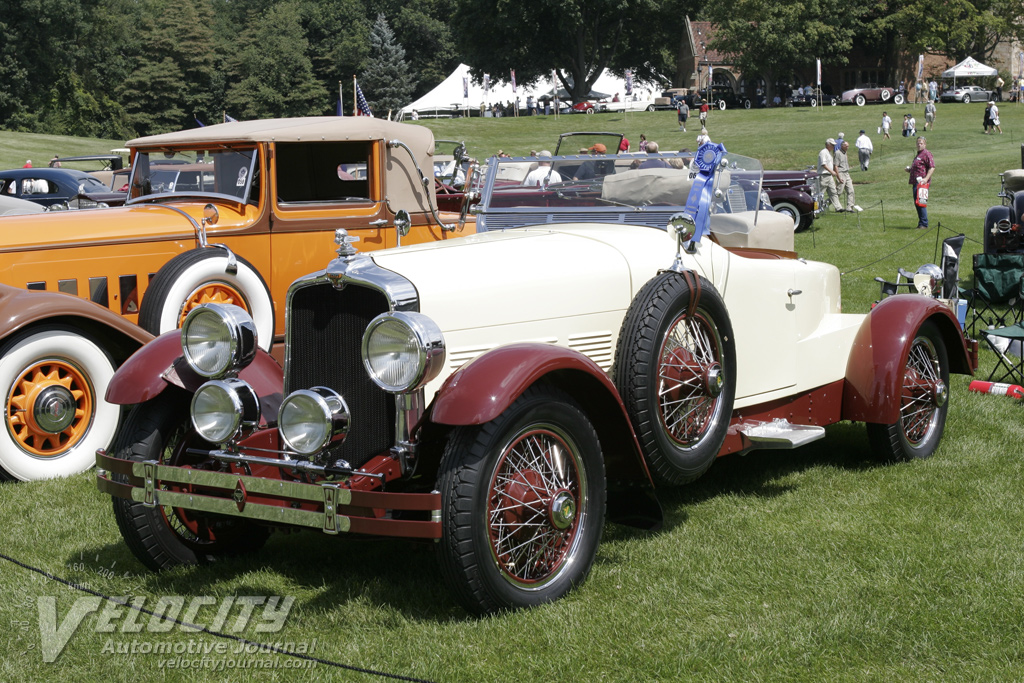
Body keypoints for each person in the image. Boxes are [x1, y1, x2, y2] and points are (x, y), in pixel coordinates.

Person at [906, 136, 935, 229]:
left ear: (925, 144)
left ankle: (924, 223)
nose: (919, 145)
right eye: (918, 143)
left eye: (921, 143)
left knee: (921, 202)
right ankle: (921, 223)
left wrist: (926, 179)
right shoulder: (918, 154)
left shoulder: (926, 154)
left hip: (922, 183)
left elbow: (932, 167)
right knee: (917, 202)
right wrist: (910, 170)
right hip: (916, 182)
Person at [834, 141, 861, 212]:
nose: (847, 148)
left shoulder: (845, 152)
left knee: (851, 191)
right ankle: (829, 205)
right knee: (839, 192)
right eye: (846, 146)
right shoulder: (837, 153)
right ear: (842, 146)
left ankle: (849, 207)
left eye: (848, 146)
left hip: (846, 173)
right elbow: (835, 166)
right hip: (841, 173)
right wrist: (839, 177)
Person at [818, 138, 842, 212]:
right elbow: (823, 164)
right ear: (828, 145)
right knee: (821, 193)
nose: (833, 147)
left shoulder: (829, 153)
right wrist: (832, 172)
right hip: (823, 175)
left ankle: (838, 208)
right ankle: (818, 208)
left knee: (833, 192)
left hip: (829, 176)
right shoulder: (823, 152)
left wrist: (831, 173)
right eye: (832, 145)